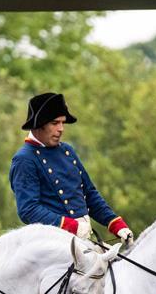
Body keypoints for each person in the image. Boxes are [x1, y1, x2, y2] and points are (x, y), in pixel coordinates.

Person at [8, 92, 133, 243]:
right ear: (38, 125)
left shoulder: (67, 150)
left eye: (62, 123)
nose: (61, 129)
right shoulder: (24, 159)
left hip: (83, 239)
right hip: (52, 243)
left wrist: (115, 224)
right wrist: (70, 226)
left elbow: (89, 194)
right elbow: (28, 209)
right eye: (55, 123)